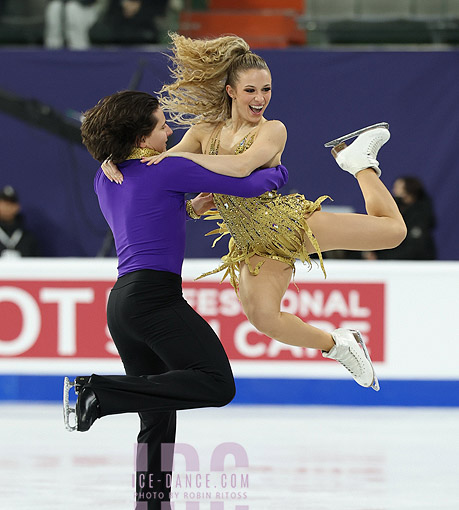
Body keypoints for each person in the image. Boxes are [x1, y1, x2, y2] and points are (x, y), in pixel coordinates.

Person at [103, 33, 407, 391]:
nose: (260, 98)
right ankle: (340, 345)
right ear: (231, 91)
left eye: (267, 90)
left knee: (394, 233)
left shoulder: (272, 130)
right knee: (264, 319)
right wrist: (116, 156)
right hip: (252, 245)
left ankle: (359, 164)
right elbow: (158, 165)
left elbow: (243, 167)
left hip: (289, 225)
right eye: (250, 90)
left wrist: (185, 158)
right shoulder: (205, 131)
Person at [66, 90, 288, 510]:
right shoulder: (166, 168)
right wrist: (281, 171)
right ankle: (98, 393)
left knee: (158, 421)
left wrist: (187, 209)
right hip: (153, 299)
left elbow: (146, 214)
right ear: (142, 137)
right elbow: (251, 184)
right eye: (162, 124)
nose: (171, 133)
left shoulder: (109, 177)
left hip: (123, 302)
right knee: (216, 383)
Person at [362, 176, 436, 260]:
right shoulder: (393, 206)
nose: (394, 190)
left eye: (398, 187)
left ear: (408, 190)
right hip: (390, 257)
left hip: (415, 261)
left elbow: (415, 246)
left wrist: (381, 257)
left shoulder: (422, 212)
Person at [89, 0, 164, 45]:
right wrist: (124, 3)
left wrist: (139, 7)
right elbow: (111, 14)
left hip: (146, 33)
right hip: (117, 34)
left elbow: (160, 11)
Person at [0, 186, 40, 257]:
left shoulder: (28, 238)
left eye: (11, 203)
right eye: (4, 203)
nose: (7, 207)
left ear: (18, 207)